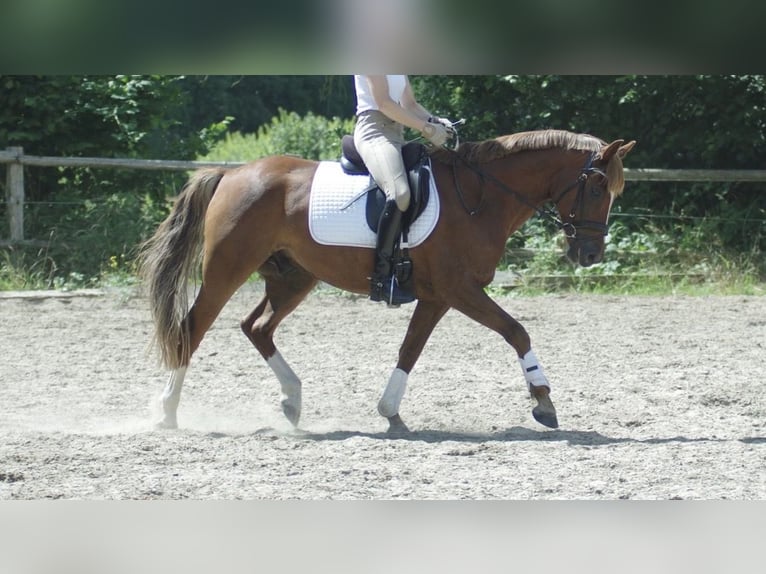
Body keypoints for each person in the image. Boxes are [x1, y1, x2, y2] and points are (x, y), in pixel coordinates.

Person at [353, 75, 452, 305]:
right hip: (374, 132)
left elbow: (410, 105)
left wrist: (437, 121)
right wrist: (426, 128)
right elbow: (384, 103)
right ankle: (382, 279)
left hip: (398, 134)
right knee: (399, 194)